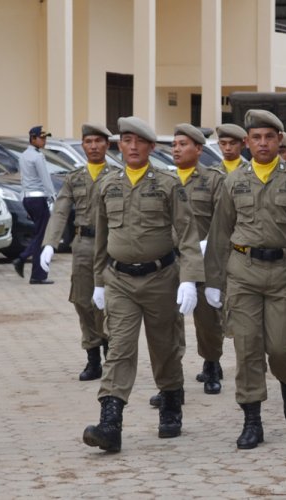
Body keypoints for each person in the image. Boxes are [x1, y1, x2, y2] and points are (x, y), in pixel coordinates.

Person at [203, 110, 286, 450]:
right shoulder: (234, 181)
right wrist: (213, 280)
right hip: (243, 271)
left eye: (268, 137)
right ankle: (252, 419)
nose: (262, 143)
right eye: (256, 137)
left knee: (282, 347)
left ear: (279, 141)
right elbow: (219, 233)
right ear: (247, 142)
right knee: (246, 347)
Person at [82, 116, 203, 453]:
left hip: (161, 278)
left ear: (151, 147)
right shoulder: (107, 185)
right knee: (119, 348)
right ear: (119, 145)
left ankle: (170, 404)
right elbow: (101, 240)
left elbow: (189, 234)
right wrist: (98, 283)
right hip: (119, 279)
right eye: (126, 141)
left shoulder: (167, 185)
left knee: (164, 347)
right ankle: (110, 422)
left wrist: (190, 280)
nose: (132, 147)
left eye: (139, 142)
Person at [40, 124, 113, 381]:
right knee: (83, 301)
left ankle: (111, 353)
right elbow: (60, 210)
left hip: (111, 247)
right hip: (82, 245)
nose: (93, 146)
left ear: (107, 144)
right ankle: (93, 357)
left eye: (98, 141)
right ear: (82, 145)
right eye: (88, 141)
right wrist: (50, 242)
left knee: (110, 302)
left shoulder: (117, 175)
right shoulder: (75, 177)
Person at [171, 123, 226, 395]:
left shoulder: (213, 180)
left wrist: (210, 246)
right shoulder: (164, 179)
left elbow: (223, 221)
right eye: (174, 144)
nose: (177, 149)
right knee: (169, 320)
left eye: (183, 144)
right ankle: (171, 379)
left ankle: (212, 364)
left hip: (203, 259)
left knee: (207, 320)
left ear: (198, 149)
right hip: (170, 260)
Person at [13, 126, 55, 284]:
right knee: (42, 236)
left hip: (28, 198)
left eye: (45, 138)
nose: (44, 140)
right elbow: (45, 179)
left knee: (39, 234)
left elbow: (24, 179)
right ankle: (27, 263)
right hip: (38, 199)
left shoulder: (23, 155)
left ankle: (35, 273)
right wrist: (53, 197)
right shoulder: (38, 157)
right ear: (33, 138)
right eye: (41, 138)